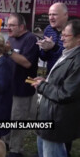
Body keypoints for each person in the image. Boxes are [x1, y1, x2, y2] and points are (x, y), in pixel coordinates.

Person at [32, 19, 80, 157]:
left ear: (78, 38)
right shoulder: (68, 53)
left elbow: (67, 93)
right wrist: (46, 81)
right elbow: (59, 82)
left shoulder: (77, 60)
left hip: (56, 123)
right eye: (62, 35)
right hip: (48, 119)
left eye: (66, 35)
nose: (62, 38)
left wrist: (42, 86)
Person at [5, 13, 39, 157]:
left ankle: (16, 151)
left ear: (22, 26)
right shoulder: (11, 38)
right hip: (8, 87)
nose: (8, 28)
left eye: (12, 25)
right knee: (8, 118)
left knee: (18, 120)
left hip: (23, 87)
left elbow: (27, 63)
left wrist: (9, 51)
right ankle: (6, 144)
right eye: (8, 25)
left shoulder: (30, 38)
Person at [36, 2, 68, 74]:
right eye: (49, 15)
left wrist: (54, 47)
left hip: (67, 76)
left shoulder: (73, 30)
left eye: (54, 14)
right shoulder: (48, 29)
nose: (51, 17)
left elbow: (71, 56)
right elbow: (43, 58)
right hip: (50, 74)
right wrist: (45, 50)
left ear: (65, 15)